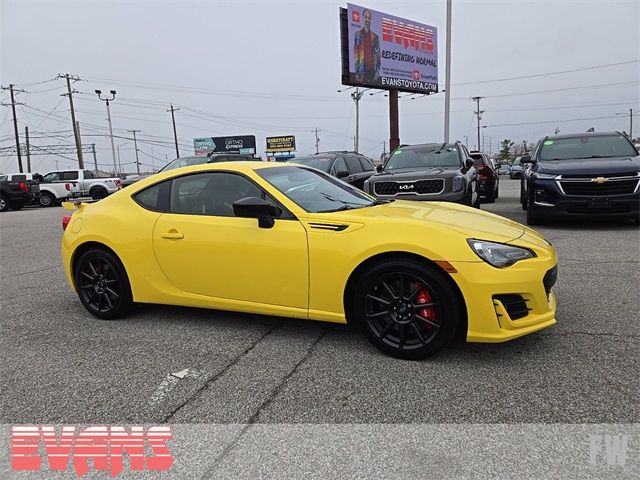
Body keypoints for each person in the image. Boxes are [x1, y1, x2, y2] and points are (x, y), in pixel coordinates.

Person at [353, 9, 381, 83]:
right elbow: (356, 54)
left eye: (369, 18)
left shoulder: (375, 37)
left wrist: (377, 72)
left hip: (373, 72)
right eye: (365, 17)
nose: (367, 20)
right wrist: (357, 71)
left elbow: (378, 56)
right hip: (362, 72)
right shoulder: (357, 34)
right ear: (362, 18)